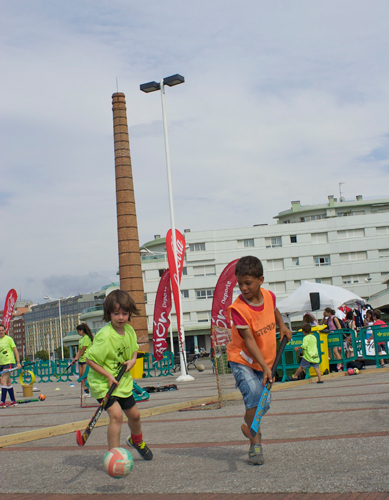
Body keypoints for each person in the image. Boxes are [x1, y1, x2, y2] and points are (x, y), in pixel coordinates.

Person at [226, 256, 292, 466]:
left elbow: (273, 310)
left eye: (248, 283)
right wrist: (265, 367)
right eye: (240, 284)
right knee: (254, 396)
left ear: (260, 280)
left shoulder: (269, 296)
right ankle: (255, 444)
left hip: (265, 360)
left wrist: (282, 326)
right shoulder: (238, 309)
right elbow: (249, 341)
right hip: (242, 359)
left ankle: (252, 425)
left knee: (264, 404)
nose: (243, 288)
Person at [86, 289, 152, 459]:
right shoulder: (104, 336)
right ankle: (113, 456)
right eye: (116, 314)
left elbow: (134, 351)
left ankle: (136, 440)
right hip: (103, 384)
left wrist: (132, 361)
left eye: (124, 313)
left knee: (135, 416)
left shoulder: (129, 330)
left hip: (121, 382)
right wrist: (108, 376)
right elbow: (90, 360)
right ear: (109, 314)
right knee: (116, 416)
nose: (121, 317)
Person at [0, 323, 21, 408]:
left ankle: (2, 401)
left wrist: (18, 362)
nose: (1, 332)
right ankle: (13, 400)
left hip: (8, 362)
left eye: (2, 330)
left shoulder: (9, 339)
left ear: (5, 331)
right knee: (8, 382)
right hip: (1, 363)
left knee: (3, 381)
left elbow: (15, 350)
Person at [73, 323, 94, 397]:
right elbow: (79, 350)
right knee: (81, 376)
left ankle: (88, 391)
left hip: (86, 359)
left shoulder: (87, 338)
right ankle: (85, 391)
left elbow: (83, 349)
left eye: (78, 331)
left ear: (82, 330)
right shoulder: (81, 339)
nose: (78, 332)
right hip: (81, 360)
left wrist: (78, 357)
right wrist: (75, 358)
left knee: (85, 376)